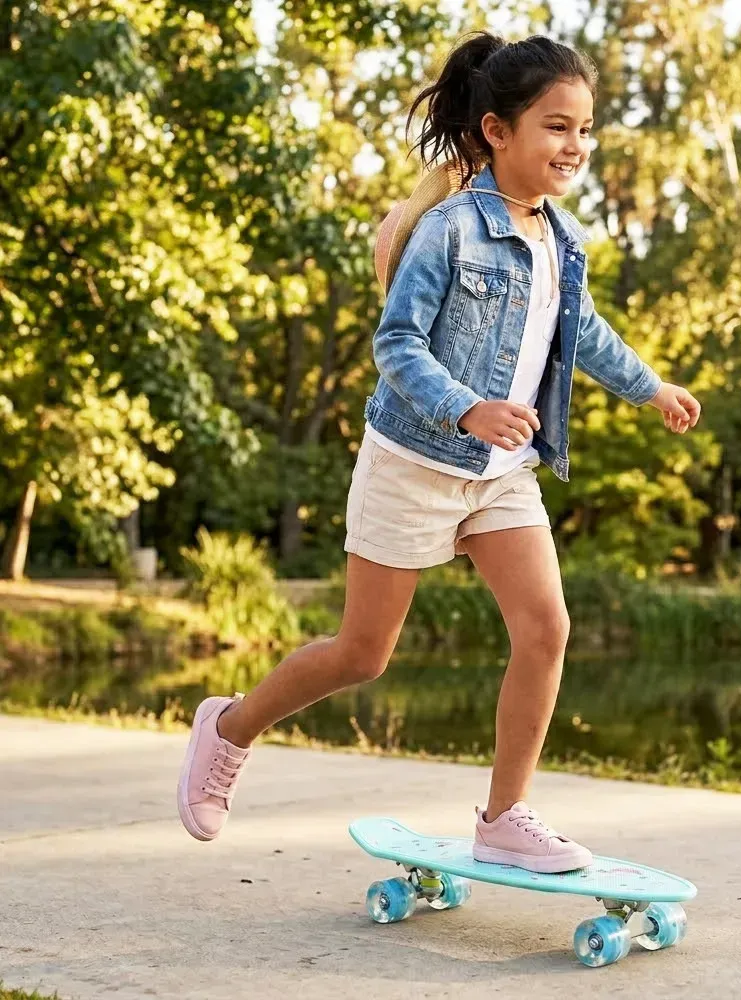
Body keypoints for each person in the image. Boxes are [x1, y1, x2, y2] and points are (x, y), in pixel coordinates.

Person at [176, 31, 701, 874]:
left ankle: (505, 815)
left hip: (498, 479)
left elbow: (582, 331)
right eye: (557, 127)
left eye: (585, 129)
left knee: (545, 628)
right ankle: (228, 727)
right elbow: (398, 344)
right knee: (362, 655)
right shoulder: (450, 229)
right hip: (414, 461)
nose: (576, 146)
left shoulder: (563, 240)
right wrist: (467, 410)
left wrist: (651, 387)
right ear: (497, 131)